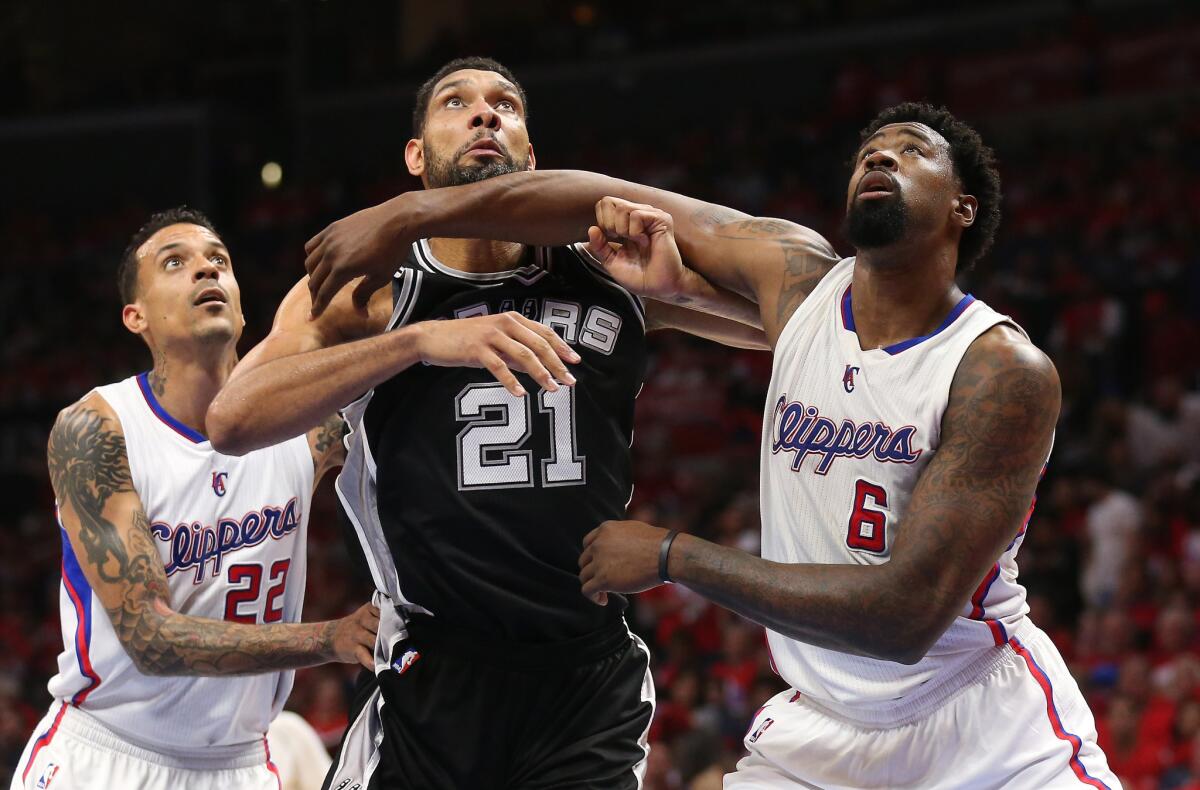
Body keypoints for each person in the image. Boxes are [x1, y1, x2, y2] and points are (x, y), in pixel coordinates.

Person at [301, 102, 1120, 787]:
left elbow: (902, 617)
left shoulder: (999, 369)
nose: (880, 157)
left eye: (911, 152)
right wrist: (413, 213)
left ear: (962, 206)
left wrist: (673, 556)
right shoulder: (796, 281)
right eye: (870, 150)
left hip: (981, 721)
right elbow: (607, 197)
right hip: (821, 729)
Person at [207, 57, 766, 790]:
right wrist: (417, 343)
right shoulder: (378, 291)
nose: (484, 113)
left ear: (531, 158)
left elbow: (796, 325)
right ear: (416, 156)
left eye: (504, 103)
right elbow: (232, 418)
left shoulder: (606, 267)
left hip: (584, 677)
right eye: (455, 102)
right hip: (436, 670)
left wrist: (679, 285)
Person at [12, 208, 379, 790]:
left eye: (219, 260)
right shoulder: (98, 429)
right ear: (136, 317)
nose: (205, 269)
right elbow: (151, 640)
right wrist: (329, 638)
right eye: (174, 262)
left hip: (240, 767)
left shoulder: (308, 428)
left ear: (239, 301)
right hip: (107, 759)